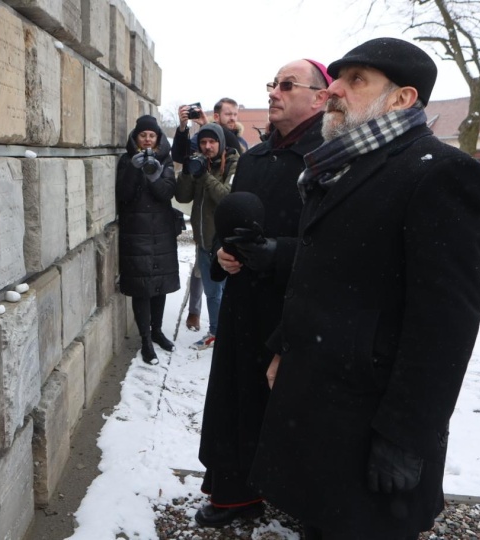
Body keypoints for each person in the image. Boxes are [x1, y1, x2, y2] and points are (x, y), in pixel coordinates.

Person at [253, 38, 480, 539]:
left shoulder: (442, 174)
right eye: (337, 78)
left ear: (403, 99)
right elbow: (322, 272)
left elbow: (446, 323)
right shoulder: (340, 165)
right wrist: (284, 347)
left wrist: (405, 436)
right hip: (320, 399)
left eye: (355, 80)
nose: (335, 89)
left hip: (371, 416)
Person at [193, 59, 331, 528]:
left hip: (299, 305)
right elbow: (228, 226)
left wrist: (275, 253)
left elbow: (338, 248)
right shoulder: (253, 158)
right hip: (243, 305)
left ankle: (295, 497)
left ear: (319, 97)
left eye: (287, 85)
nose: (274, 92)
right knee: (237, 401)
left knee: (293, 409)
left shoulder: (332, 158)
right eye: (273, 84)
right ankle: (236, 493)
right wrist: (222, 255)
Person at [173, 98, 246, 341]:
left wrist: (204, 176)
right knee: (213, 293)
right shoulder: (198, 163)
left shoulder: (234, 163)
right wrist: (187, 172)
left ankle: (227, 334)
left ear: (220, 143)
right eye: (203, 142)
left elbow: (227, 197)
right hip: (204, 241)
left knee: (228, 292)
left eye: (212, 142)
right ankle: (216, 332)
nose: (206, 147)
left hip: (226, 242)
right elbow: (182, 196)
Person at [116, 115, 180, 365]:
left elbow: (167, 193)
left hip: (161, 231)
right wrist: (133, 168)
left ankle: (158, 331)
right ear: (136, 137)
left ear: (157, 139)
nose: (147, 139)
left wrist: (154, 176)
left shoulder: (165, 161)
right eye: (143, 135)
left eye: (151, 135)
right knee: (142, 288)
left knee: (160, 285)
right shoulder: (126, 161)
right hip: (136, 232)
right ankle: (145, 339)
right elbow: (124, 195)